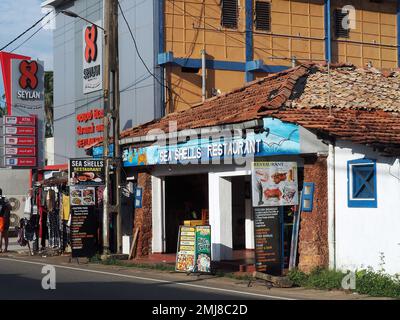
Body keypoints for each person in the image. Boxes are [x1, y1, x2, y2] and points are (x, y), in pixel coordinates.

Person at [0, 188, 12, 253]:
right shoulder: (5, 198)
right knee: (5, 234)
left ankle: (0, 249)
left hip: (1, 218)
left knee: (1, 234)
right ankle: (5, 248)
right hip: (6, 218)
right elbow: (11, 208)